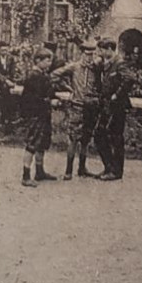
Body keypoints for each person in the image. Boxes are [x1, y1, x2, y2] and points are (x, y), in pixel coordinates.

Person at [57, 38, 103, 179]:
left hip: (90, 108)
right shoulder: (74, 67)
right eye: (87, 54)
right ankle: (68, 171)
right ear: (82, 53)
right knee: (73, 139)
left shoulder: (96, 69)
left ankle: (82, 168)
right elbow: (55, 75)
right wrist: (67, 87)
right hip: (77, 107)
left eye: (92, 54)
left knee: (86, 139)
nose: (89, 57)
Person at [18, 47, 60, 187]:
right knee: (32, 143)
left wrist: (55, 97)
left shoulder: (43, 74)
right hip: (35, 114)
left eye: (50, 61)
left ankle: (40, 171)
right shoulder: (34, 76)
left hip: (43, 113)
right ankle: (26, 175)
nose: (49, 63)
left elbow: (48, 91)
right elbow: (33, 98)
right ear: (38, 61)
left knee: (42, 143)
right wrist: (49, 101)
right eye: (47, 61)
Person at [94, 37, 134, 181]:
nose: (100, 52)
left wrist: (117, 95)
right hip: (106, 106)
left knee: (116, 137)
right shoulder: (106, 64)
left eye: (103, 50)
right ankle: (108, 167)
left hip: (117, 107)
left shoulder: (119, 63)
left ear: (110, 49)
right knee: (99, 134)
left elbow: (130, 79)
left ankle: (116, 171)